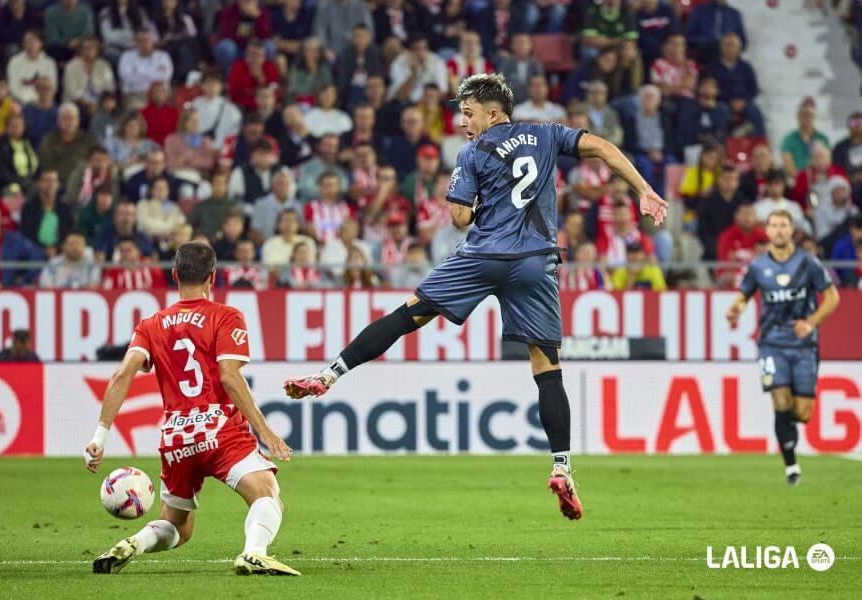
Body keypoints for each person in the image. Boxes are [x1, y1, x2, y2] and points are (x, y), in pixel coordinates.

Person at [283, 73, 669, 521]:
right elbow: (602, 147)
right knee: (547, 365)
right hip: (535, 261)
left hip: (483, 256)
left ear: (493, 112)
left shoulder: (474, 152)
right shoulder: (547, 134)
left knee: (410, 314)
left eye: (468, 113)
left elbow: (460, 217)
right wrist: (643, 189)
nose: (462, 121)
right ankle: (561, 465)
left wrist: (479, 197)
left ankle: (330, 374)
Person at [86, 241, 296, 574]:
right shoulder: (226, 316)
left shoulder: (151, 324)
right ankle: (254, 552)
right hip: (219, 429)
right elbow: (229, 376)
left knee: (178, 527)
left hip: (176, 438)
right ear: (213, 277)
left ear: (174, 275)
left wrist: (100, 436)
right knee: (267, 494)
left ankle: (134, 543)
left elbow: (122, 374)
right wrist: (265, 431)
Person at [726, 210, 840, 486]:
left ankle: (786, 429)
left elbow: (832, 296)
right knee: (780, 399)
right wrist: (736, 309)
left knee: (802, 413)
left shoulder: (807, 263)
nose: (778, 230)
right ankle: (791, 468)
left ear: (792, 230)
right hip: (771, 343)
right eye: (774, 225)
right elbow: (744, 296)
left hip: (804, 345)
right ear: (767, 231)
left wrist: (811, 322)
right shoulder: (757, 267)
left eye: (783, 225)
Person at [62, 37, 116, 114]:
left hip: (100, 102)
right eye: (85, 48)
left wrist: (100, 103)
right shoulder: (71, 66)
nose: (89, 51)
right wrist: (89, 104)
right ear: (80, 51)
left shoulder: (104, 66)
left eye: (92, 48)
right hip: (78, 102)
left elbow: (109, 87)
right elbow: (72, 91)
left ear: (97, 50)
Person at [6, 29, 58, 106]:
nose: (30, 44)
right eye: (27, 41)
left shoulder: (49, 63)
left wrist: (39, 100)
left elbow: (53, 86)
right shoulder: (15, 62)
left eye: (33, 40)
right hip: (20, 101)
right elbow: (13, 87)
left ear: (41, 43)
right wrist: (28, 101)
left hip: (44, 101)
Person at [780, 102, 830, 180]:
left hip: (820, 180)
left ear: (814, 117)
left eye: (810, 115)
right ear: (798, 117)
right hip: (796, 180)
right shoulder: (789, 139)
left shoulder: (822, 138)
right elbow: (788, 166)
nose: (807, 118)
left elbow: (828, 163)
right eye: (803, 115)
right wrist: (803, 181)